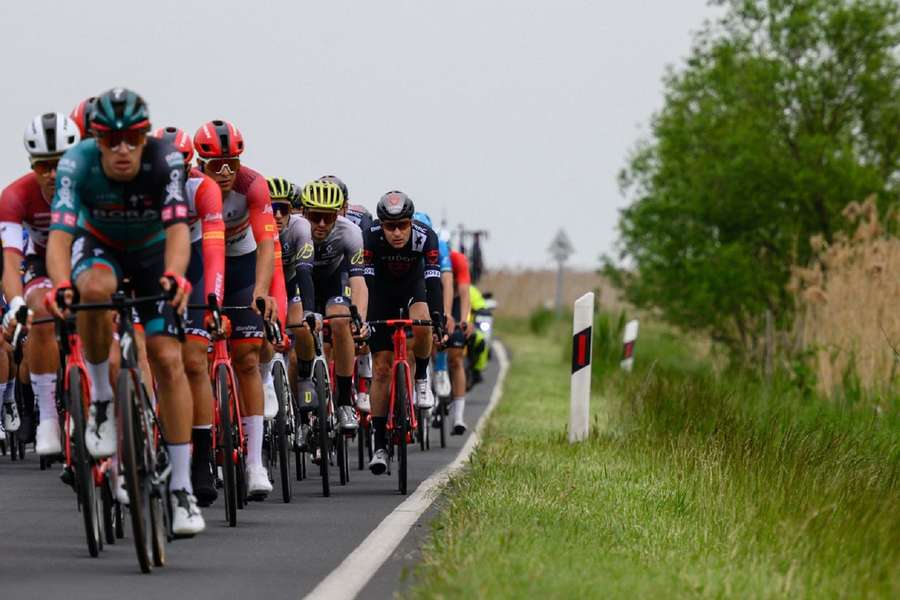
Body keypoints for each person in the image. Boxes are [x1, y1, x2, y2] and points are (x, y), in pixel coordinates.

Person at [44, 87, 203, 535]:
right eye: (109, 139)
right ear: (95, 138)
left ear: (143, 136)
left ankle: (182, 490)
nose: (121, 149)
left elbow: (176, 231)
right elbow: (59, 238)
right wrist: (60, 284)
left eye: (131, 138)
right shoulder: (77, 163)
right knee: (91, 288)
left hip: (153, 253)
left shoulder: (165, 160)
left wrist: (175, 275)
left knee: (168, 358)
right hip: (101, 248)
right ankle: (99, 401)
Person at [194, 119, 286, 499]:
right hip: (201, 261)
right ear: (201, 162)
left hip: (244, 264)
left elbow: (267, 244)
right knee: (195, 356)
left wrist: (262, 292)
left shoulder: (252, 185)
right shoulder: (191, 185)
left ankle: (254, 464)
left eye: (232, 161)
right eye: (218, 164)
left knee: (247, 358)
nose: (227, 171)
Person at [151, 126, 225, 506]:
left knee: (194, 358)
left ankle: (202, 459)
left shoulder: (203, 188)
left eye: (182, 165)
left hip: (192, 262)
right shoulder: (142, 183)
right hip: (150, 262)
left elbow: (214, 249)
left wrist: (212, 300)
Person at [0, 112, 81, 449]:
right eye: (42, 166)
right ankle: (48, 417)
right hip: (42, 262)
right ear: (32, 164)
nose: (52, 174)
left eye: (60, 163)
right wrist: (15, 302)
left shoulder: (92, 187)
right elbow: (11, 258)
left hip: (87, 257)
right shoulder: (16, 196)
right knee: (40, 311)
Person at [363, 191, 443, 474]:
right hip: (380, 295)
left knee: (423, 320)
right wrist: (366, 320)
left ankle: (421, 375)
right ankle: (380, 443)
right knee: (382, 368)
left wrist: (439, 319)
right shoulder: (370, 237)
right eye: (390, 226)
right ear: (381, 225)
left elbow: (434, 282)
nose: (397, 232)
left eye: (402, 225)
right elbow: (367, 285)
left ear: (411, 223)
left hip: (413, 289)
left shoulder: (426, 236)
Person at [295, 179, 367, 432]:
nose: (322, 224)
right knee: (299, 327)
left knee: (341, 320)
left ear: (339, 214)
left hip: (333, 282)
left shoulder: (351, 233)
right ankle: (302, 409)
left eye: (329, 217)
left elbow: (359, 282)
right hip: (301, 281)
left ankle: (345, 403)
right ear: (304, 213)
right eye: (316, 217)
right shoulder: (298, 229)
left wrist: (360, 319)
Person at [447, 248, 472, 434]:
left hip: (454, 303)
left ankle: (458, 417)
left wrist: (465, 320)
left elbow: (464, 293)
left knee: (456, 359)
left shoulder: (458, 260)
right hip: (432, 300)